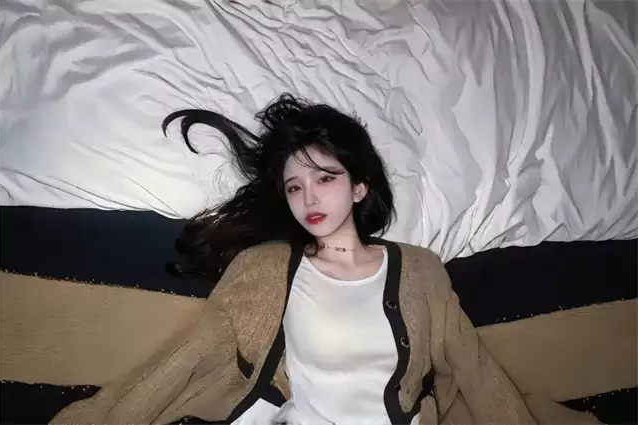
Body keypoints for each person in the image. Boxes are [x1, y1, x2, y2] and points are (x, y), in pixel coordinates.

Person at [51, 94, 537, 425]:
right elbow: (188, 355)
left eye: (325, 178)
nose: (310, 198)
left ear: (359, 186)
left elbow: (475, 369)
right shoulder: (264, 269)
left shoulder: (420, 271)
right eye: (294, 187)